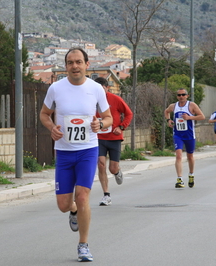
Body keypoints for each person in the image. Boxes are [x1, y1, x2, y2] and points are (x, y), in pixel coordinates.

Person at [39, 47, 113, 262]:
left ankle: (83, 245)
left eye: (78, 62)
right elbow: (44, 114)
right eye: (70, 62)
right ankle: (73, 210)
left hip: (88, 151)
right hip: (63, 152)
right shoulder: (55, 88)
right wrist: (51, 127)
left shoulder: (96, 89)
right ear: (66, 66)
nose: (74, 66)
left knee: (83, 197)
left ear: (86, 65)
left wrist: (101, 123)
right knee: (64, 205)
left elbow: (108, 118)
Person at [94, 77, 133, 206]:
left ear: (107, 88)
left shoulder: (115, 99)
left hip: (114, 138)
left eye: (101, 88)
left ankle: (117, 171)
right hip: (98, 138)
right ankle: (106, 195)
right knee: (101, 164)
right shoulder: (91, 100)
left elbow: (129, 114)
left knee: (112, 168)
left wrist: (121, 127)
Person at [164, 88, 205, 188]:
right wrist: (169, 120)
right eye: (179, 95)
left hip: (189, 135)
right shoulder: (173, 106)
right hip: (178, 135)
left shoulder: (191, 105)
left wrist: (190, 117)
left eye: (183, 95)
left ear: (187, 95)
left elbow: (202, 116)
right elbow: (166, 111)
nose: (181, 97)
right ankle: (180, 179)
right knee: (178, 156)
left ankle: (191, 175)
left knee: (190, 156)